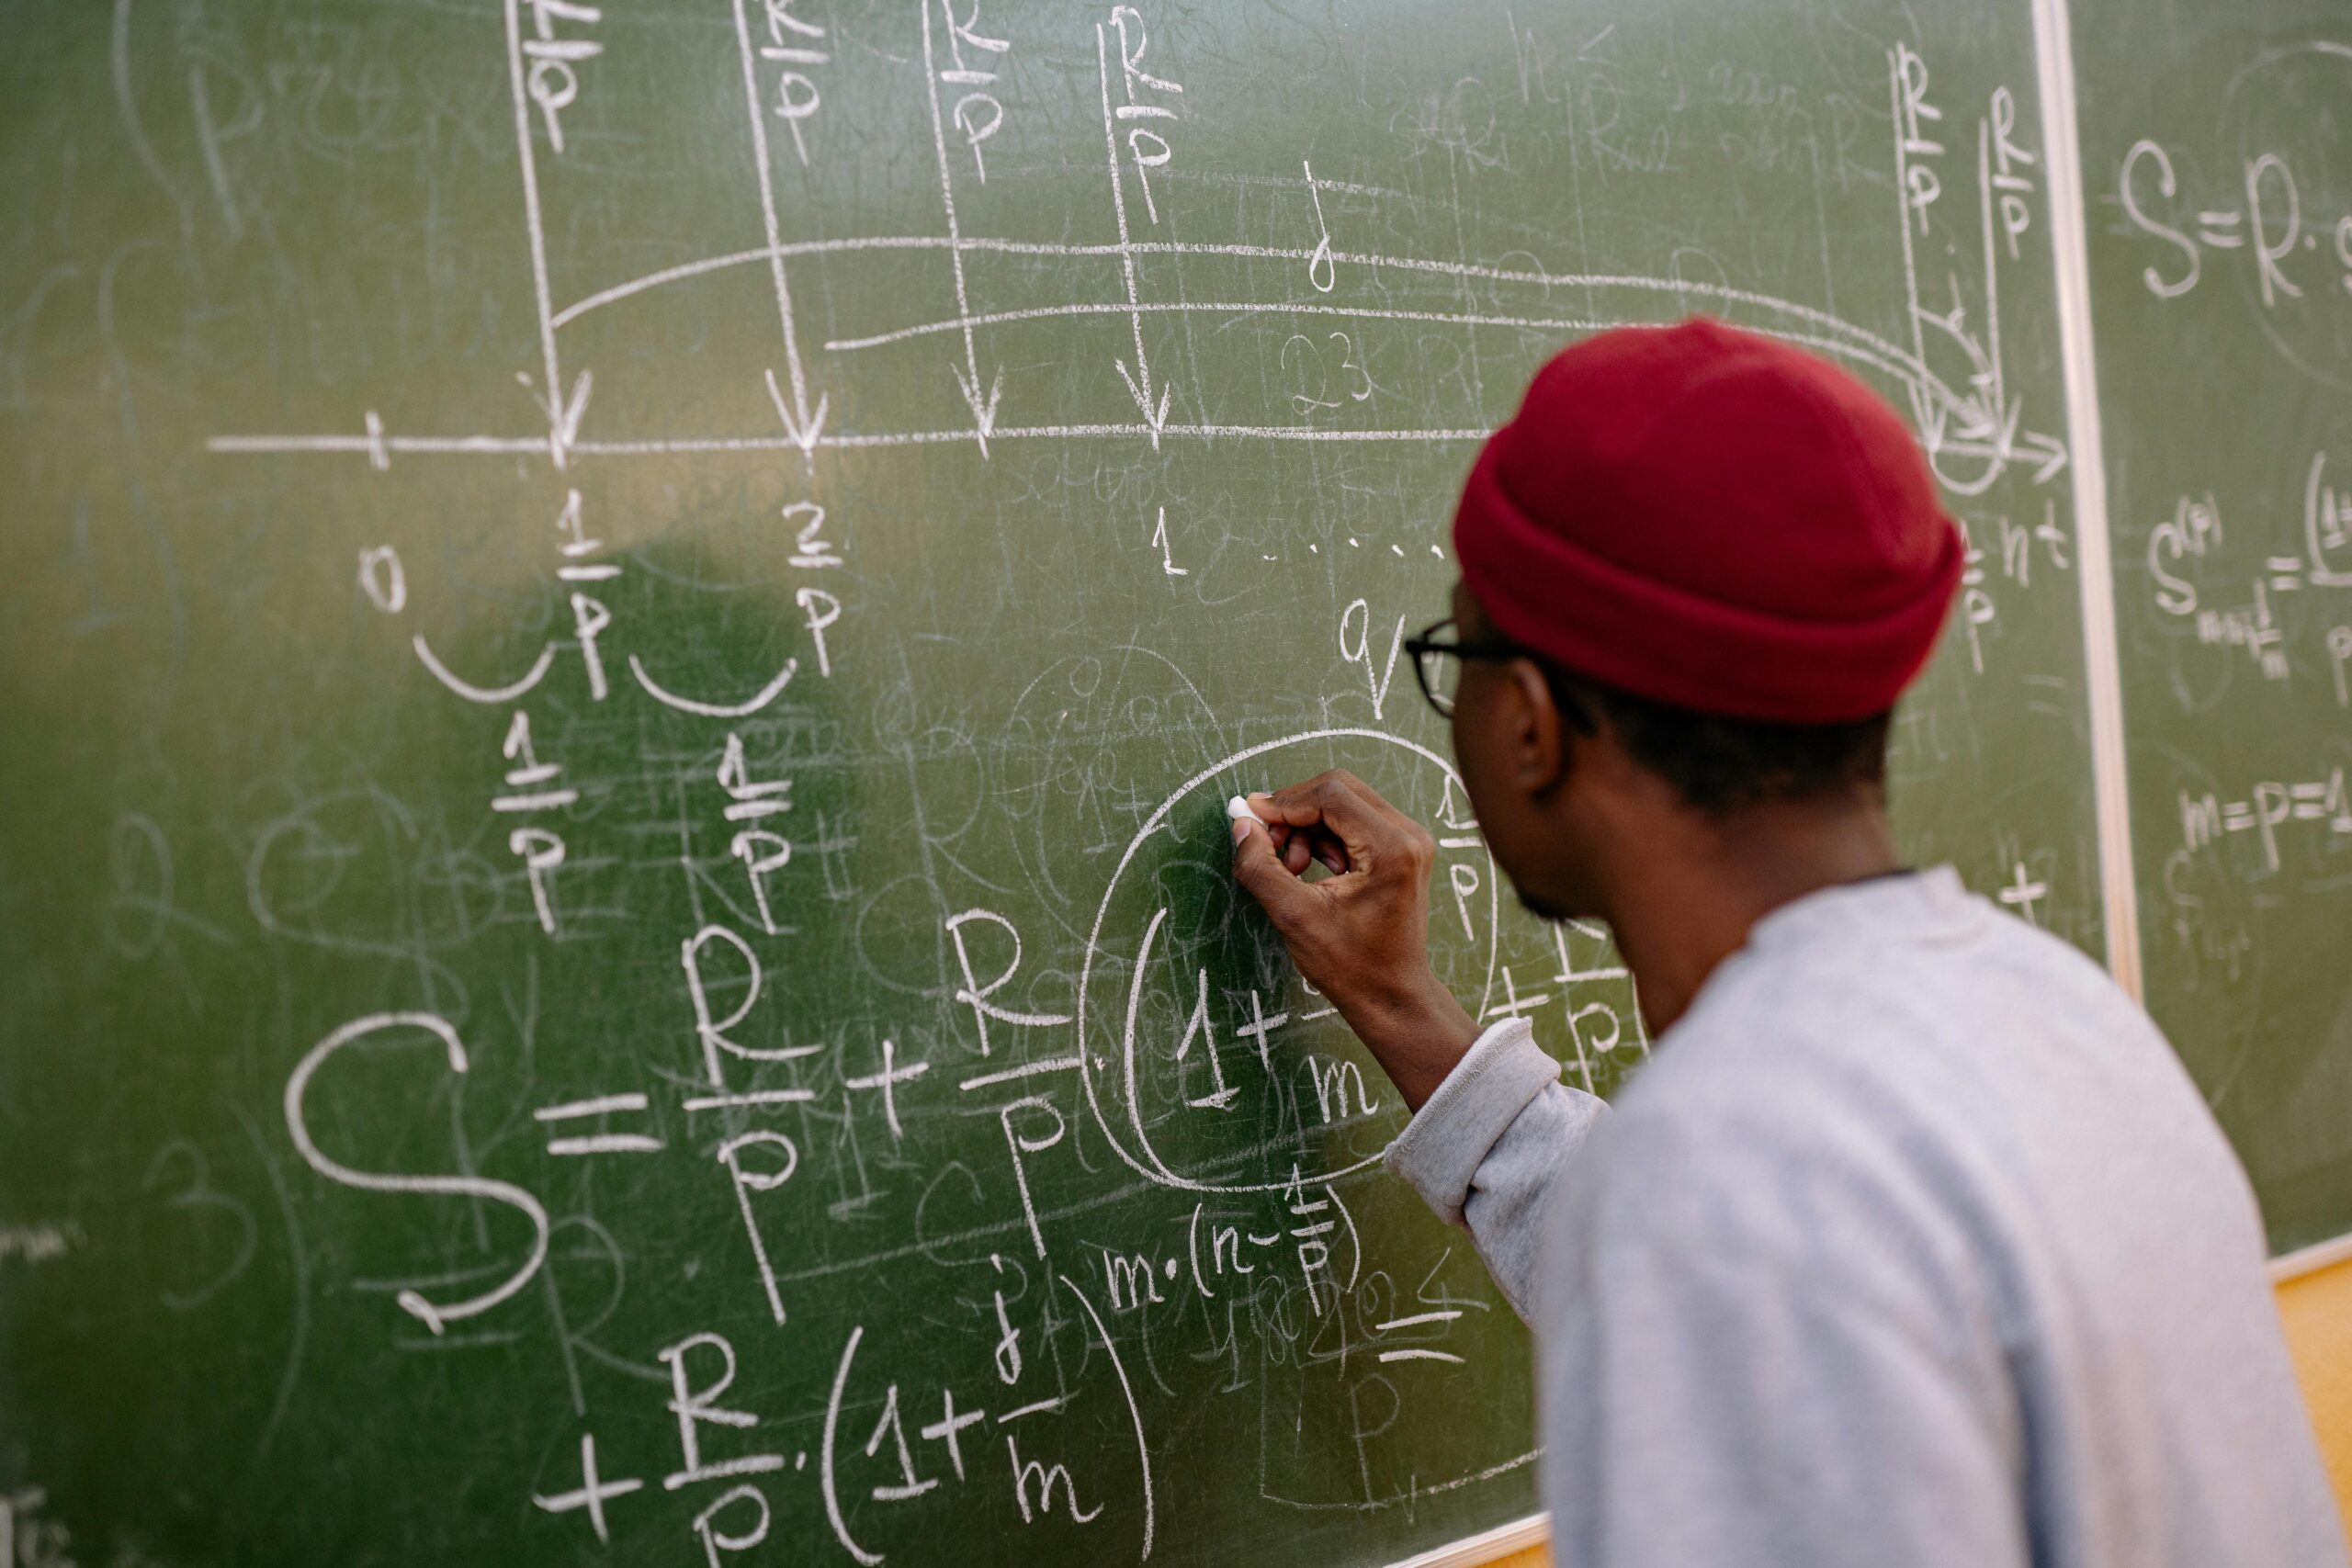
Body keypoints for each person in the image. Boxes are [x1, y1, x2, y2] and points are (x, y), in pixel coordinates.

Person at [1227, 320, 2346, 1568]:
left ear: (1534, 724)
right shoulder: (2059, 1022)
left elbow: (1737, 1239)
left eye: (1462, 658)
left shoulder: (1730, 1181)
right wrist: (1397, 1004)